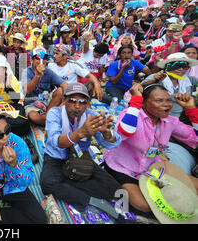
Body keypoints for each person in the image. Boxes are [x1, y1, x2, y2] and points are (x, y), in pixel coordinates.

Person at [103, 83, 198, 213]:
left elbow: (195, 138)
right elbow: (125, 130)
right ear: (144, 103)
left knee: (195, 186)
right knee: (143, 205)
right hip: (123, 168)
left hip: (151, 167)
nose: (166, 104)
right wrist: (136, 101)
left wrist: (191, 109)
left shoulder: (169, 121)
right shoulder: (131, 114)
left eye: (168, 100)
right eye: (159, 100)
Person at [40, 83, 123, 218]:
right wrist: (80, 133)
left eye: (83, 102)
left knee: (115, 189)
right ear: (64, 100)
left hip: (80, 158)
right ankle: (90, 200)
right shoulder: (54, 113)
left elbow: (110, 143)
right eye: (72, 100)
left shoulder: (91, 115)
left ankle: (70, 182)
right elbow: (55, 142)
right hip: (56, 157)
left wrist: (107, 133)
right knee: (47, 184)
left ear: (88, 103)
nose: (77, 106)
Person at [141, 52, 198, 118]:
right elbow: (138, 90)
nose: (180, 69)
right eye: (176, 66)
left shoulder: (190, 79)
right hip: (159, 119)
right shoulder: (156, 77)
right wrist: (154, 81)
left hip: (184, 120)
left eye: (184, 67)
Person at [21, 47, 67, 127]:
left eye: (44, 58)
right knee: (33, 117)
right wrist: (37, 75)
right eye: (37, 58)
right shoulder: (26, 72)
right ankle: (51, 119)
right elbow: (27, 90)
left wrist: (67, 98)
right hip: (31, 102)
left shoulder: (48, 71)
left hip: (46, 101)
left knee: (60, 91)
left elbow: (63, 84)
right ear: (32, 60)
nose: (41, 61)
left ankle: (47, 116)